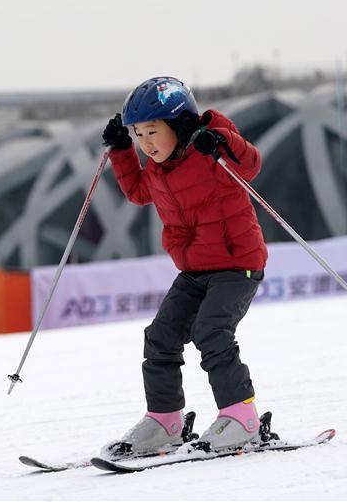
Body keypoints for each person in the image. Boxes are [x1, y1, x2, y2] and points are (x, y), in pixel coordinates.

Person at [99, 76, 269, 458]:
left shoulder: (210, 149)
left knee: (211, 331)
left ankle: (241, 418)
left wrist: (221, 142)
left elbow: (251, 165)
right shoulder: (158, 170)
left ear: (179, 125)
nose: (146, 143)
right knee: (160, 336)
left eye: (152, 132)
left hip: (236, 264)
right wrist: (121, 151)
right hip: (194, 270)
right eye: (138, 134)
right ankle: (164, 422)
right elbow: (138, 192)